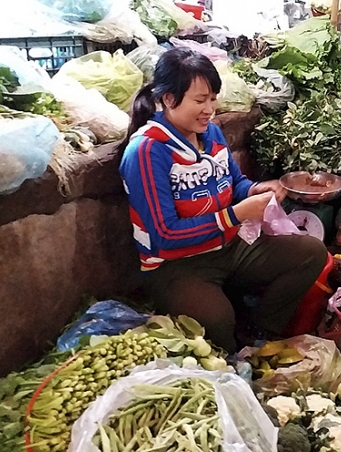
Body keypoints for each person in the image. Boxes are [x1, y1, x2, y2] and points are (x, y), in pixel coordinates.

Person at [118, 48, 328, 352]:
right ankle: (230, 334)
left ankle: (261, 328)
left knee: (310, 252)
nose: (209, 109)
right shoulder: (146, 152)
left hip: (228, 246)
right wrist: (233, 216)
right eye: (200, 100)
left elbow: (235, 183)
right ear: (167, 99)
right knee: (217, 324)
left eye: (213, 98)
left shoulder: (211, 134)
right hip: (176, 265)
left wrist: (254, 191)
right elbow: (163, 236)